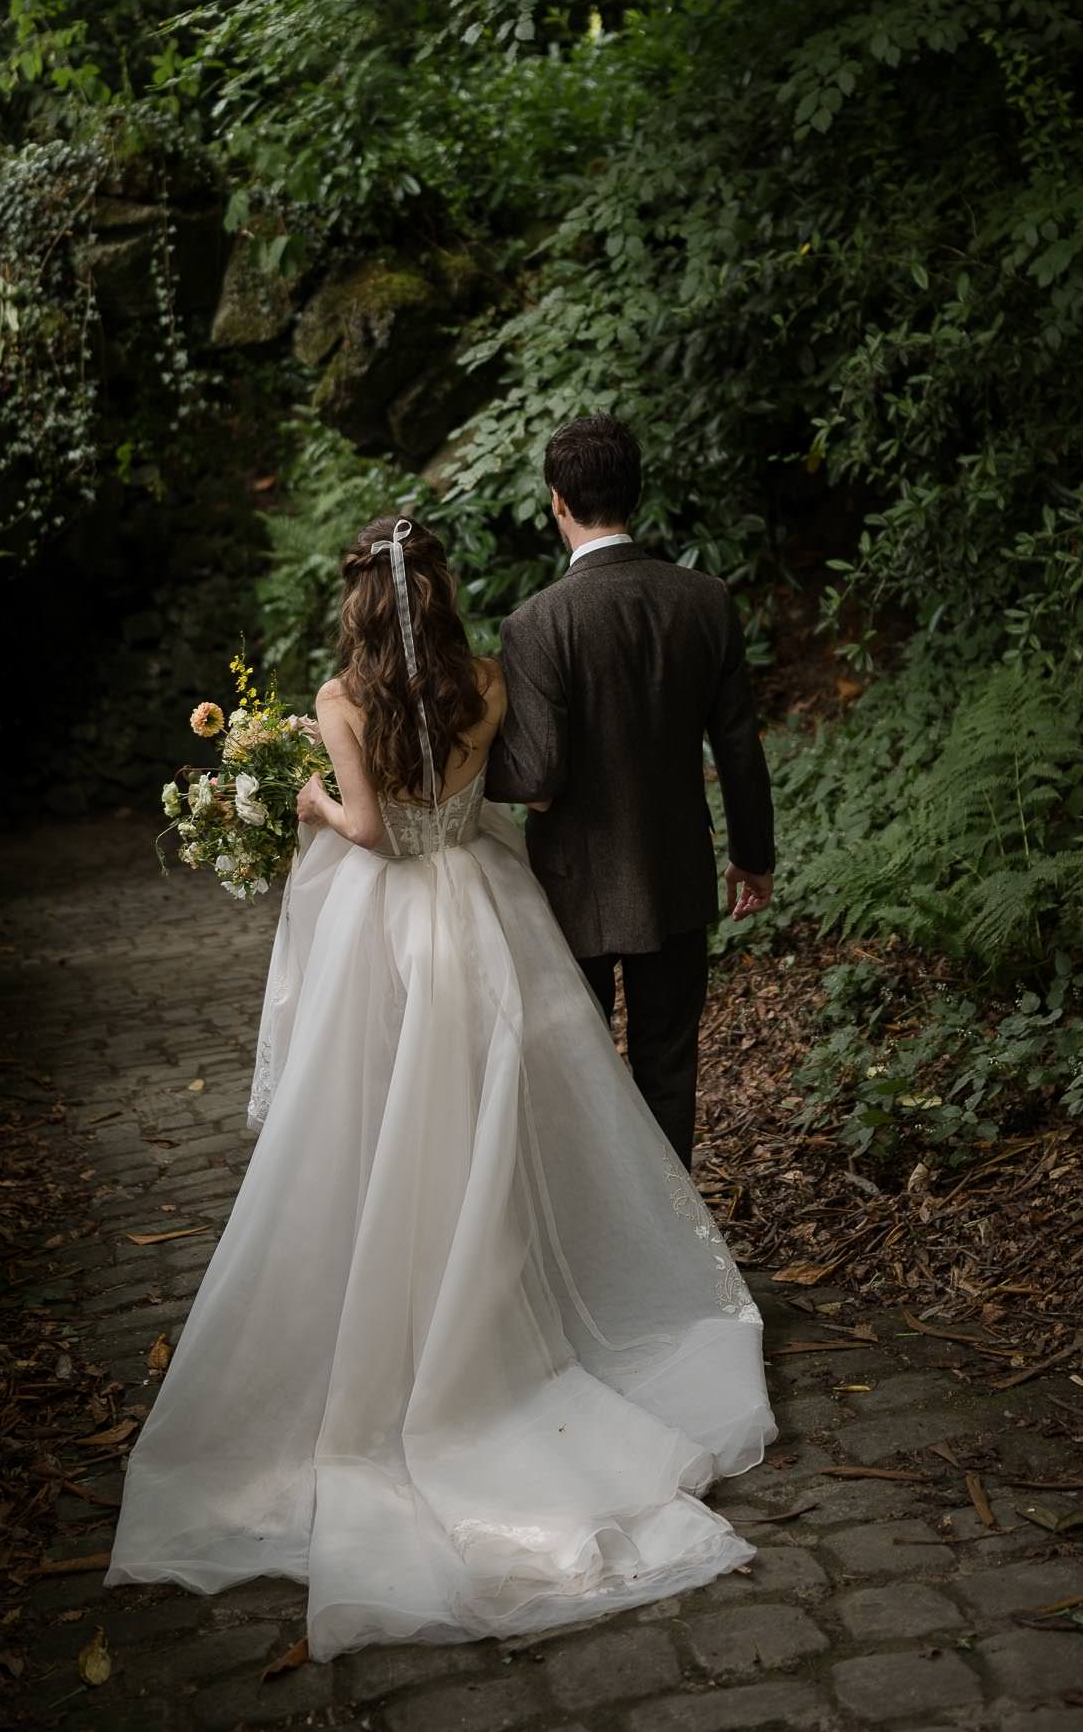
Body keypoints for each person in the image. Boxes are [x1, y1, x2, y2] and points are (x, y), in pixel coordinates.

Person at [106, 515, 774, 1661]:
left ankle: (408, 1311)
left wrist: (307, 804)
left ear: (361, 603)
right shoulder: (488, 680)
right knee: (488, 1121)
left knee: (375, 1124)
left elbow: (367, 828)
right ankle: (501, 1305)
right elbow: (510, 794)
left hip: (392, 929)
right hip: (483, 911)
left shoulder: (337, 702)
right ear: (441, 595)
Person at [486, 415, 775, 1167]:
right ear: (635, 493)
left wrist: (467, 770)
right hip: (677, 873)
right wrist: (754, 855)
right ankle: (674, 1237)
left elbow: (538, 771)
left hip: (574, 887)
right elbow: (738, 745)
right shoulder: (705, 600)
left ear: (557, 501)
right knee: (669, 1069)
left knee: (576, 1071)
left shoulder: (535, 623)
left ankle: (599, 1240)